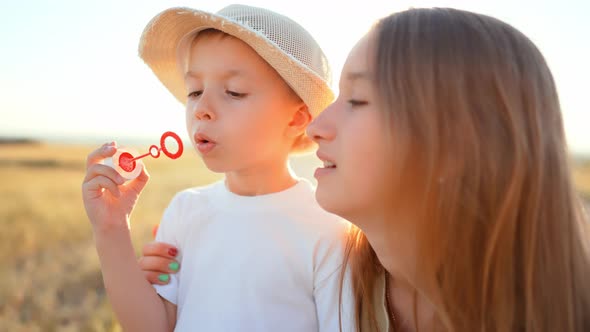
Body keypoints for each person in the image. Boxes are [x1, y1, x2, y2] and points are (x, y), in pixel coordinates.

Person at [141, 7, 590, 331]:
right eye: (194, 92)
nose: (315, 126)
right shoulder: (350, 279)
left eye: (356, 100)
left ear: (453, 146)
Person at [82, 4, 353, 332]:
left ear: (297, 118)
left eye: (234, 92)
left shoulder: (329, 227)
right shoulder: (185, 210)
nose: (201, 109)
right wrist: (111, 230)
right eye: (194, 91)